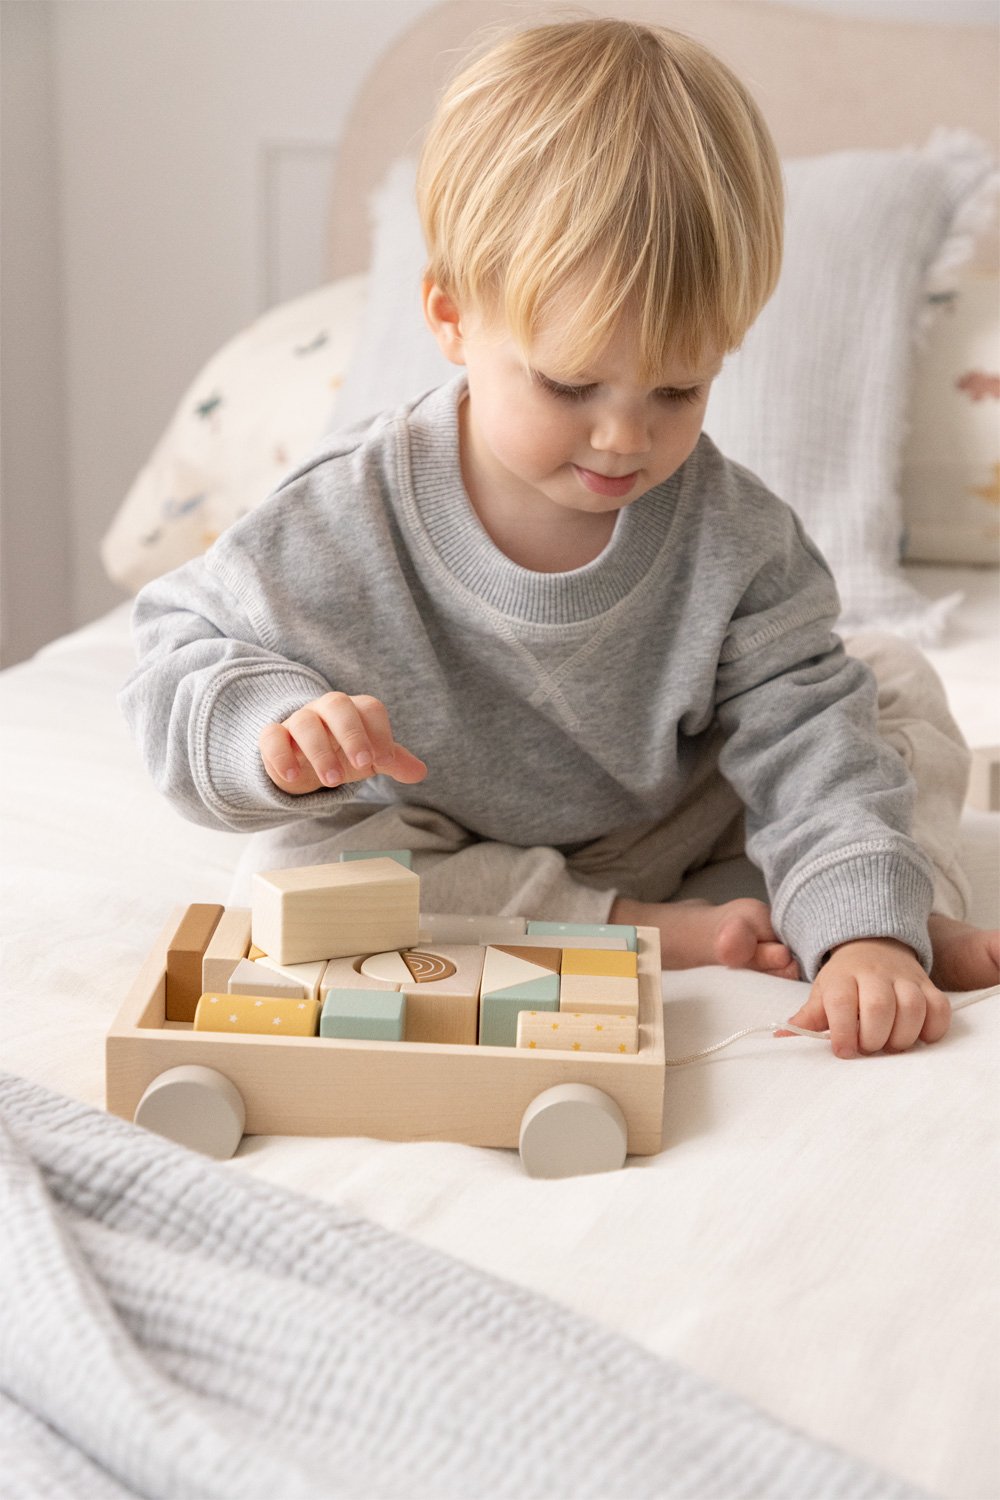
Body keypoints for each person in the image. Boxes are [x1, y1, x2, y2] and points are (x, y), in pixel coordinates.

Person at [120, 18, 998, 1060]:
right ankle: (629, 930)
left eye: (679, 387)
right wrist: (271, 731)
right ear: (451, 318)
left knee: (885, 690)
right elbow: (175, 649)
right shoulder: (340, 519)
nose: (625, 437)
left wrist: (861, 928)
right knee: (287, 879)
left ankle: (883, 919)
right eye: (570, 383)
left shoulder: (740, 540)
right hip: (451, 834)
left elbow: (808, 741)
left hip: (680, 804)